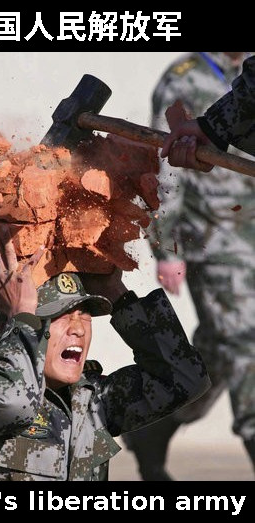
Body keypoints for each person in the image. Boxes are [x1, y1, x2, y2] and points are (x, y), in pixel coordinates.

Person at [0, 220, 209, 481]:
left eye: (85, 314)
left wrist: (119, 296)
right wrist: (20, 315)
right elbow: (11, 403)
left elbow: (184, 379)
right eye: (61, 315)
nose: (79, 328)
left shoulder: (92, 403)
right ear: (20, 320)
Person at [122, 52, 255, 481]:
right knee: (244, 344)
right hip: (214, 242)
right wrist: (166, 245)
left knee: (220, 347)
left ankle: (157, 426)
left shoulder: (245, 74)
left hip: (251, 229)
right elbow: (164, 165)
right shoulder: (185, 80)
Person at [161, 54, 255, 169]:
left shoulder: (248, 62)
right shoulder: (182, 78)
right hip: (206, 182)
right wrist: (212, 129)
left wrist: (213, 128)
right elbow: (166, 150)